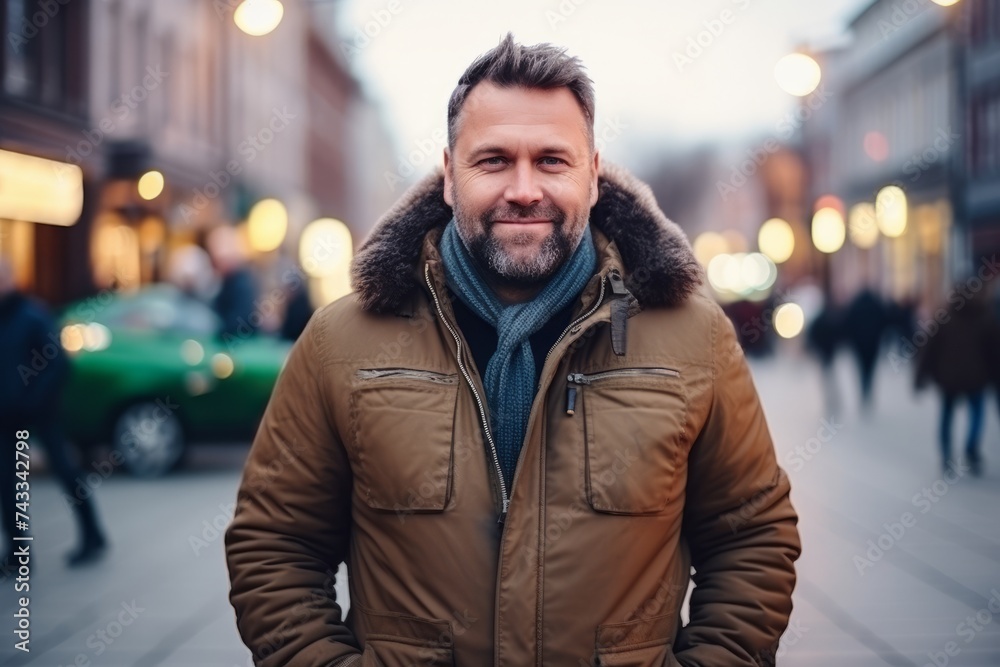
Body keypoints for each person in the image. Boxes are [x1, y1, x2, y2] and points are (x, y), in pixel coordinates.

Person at [225, 35, 800, 667]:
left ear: (592, 174)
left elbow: (753, 536)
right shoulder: (342, 341)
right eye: (493, 160)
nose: (524, 189)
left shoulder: (694, 336)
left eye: (552, 161)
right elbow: (275, 544)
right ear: (449, 176)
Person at [0, 259, 107, 573]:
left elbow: (57, 363)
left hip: (40, 411)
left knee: (65, 470)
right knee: (8, 482)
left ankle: (92, 534)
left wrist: (34, 399)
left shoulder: (32, 315)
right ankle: (18, 551)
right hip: (7, 415)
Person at [916, 288, 997, 476]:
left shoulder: (944, 317)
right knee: (977, 412)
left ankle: (946, 456)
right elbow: (994, 352)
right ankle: (971, 447)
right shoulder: (985, 317)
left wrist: (920, 377)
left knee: (947, 414)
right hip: (976, 377)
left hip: (948, 377)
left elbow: (928, 349)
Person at [206, 225, 259, 341]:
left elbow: (240, 320)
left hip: (243, 344)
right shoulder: (225, 281)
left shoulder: (242, 283)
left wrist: (219, 331)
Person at [843, 287, 887, 412]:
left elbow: (848, 323)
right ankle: (868, 391)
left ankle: (864, 391)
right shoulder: (876, 304)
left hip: (859, 344)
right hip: (873, 343)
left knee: (861, 368)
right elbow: (884, 320)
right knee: (870, 369)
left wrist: (851, 339)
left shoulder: (855, 304)